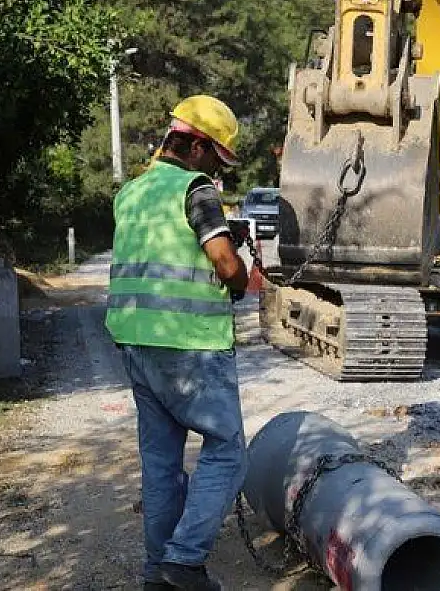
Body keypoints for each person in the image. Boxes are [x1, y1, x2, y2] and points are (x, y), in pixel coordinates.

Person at [105, 95, 249, 591]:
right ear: (196, 147)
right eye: (215, 157)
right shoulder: (197, 189)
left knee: (161, 464)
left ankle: (156, 574)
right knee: (228, 451)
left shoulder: (131, 192)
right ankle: (184, 560)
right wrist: (241, 276)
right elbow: (227, 265)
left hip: (136, 345)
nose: (217, 169)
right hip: (191, 345)